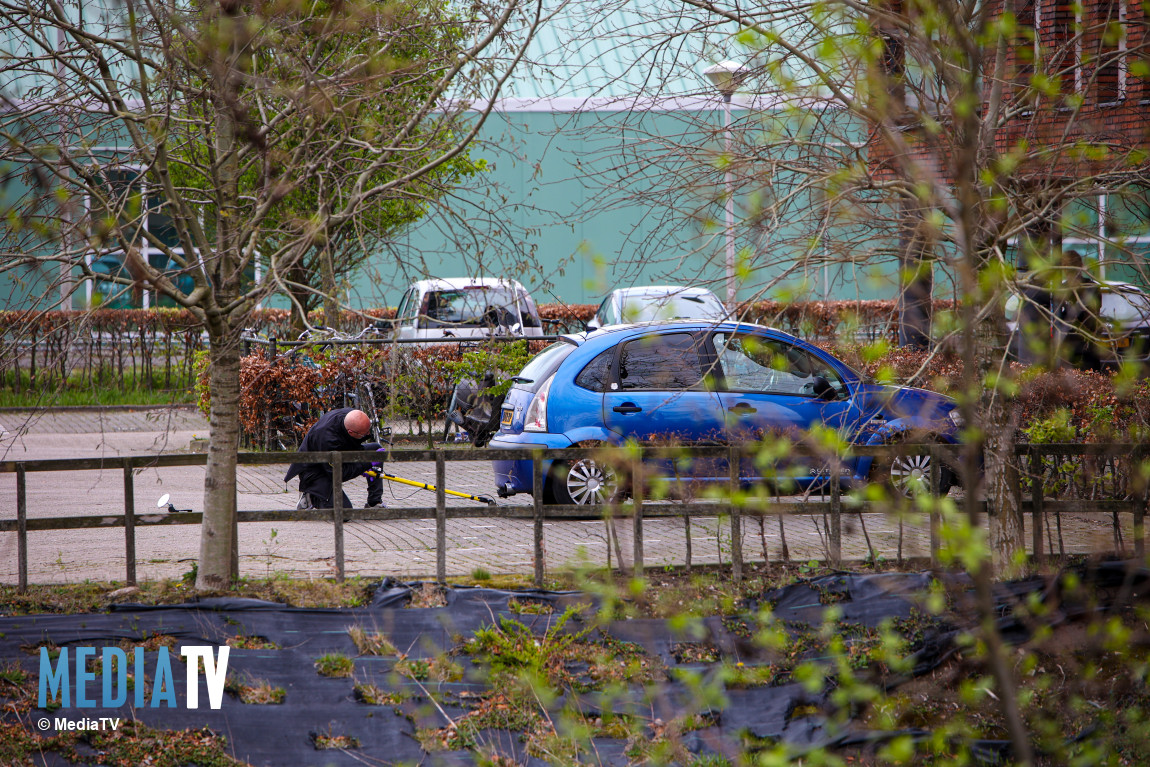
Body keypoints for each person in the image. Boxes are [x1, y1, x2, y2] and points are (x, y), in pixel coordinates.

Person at [285, 408, 385, 510]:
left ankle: (374, 502)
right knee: (344, 511)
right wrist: (365, 464)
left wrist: (363, 462)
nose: (368, 434)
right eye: (364, 434)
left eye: (369, 430)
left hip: (338, 453)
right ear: (350, 432)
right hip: (315, 470)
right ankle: (312, 495)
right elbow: (339, 474)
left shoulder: (351, 415)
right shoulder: (327, 439)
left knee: (375, 450)